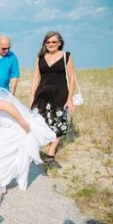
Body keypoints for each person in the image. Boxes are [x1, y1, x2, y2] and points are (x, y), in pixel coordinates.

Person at [29, 31, 77, 166]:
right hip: (42, 93)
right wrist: (32, 97)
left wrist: (70, 98)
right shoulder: (40, 57)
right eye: (48, 42)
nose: (51, 44)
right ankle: (35, 150)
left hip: (60, 93)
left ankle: (51, 150)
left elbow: (72, 78)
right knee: (39, 122)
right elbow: (36, 78)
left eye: (54, 42)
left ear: (59, 43)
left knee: (59, 123)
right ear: (45, 43)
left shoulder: (66, 56)